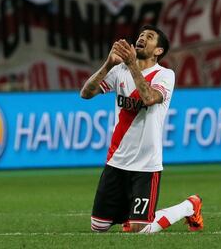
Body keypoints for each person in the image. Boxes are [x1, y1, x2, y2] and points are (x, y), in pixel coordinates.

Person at [80, 25, 203, 233]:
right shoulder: (119, 71)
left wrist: (132, 66)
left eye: (150, 37)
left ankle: (189, 206)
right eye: (141, 35)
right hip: (117, 160)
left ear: (159, 51)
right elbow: (86, 93)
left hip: (146, 165)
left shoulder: (165, 75)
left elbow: (148, 98)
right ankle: (135, 216)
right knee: (98, 227)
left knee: (139, 230)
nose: (142, 38)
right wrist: (108, 64)